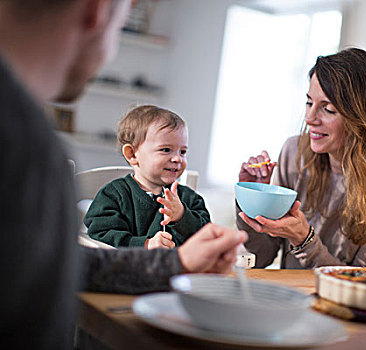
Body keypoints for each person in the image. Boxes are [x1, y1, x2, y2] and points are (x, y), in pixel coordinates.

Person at [0, 1, 246, 349]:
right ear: (98, 12)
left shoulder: (24, 136)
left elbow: (57, 265)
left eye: (182, 152)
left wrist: (177, 261)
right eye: (120, 26)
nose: (176, 159)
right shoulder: (26, 147)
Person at [237, 48, 366, 268]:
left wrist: (304, 240)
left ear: (363, 119)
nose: (310, 118)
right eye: (309, 103)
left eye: (327, 109)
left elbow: (365, 285)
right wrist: (252, 202)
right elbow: (261, 257)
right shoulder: (294, 153)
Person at [85, 105, 210, 249]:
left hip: (177, 271)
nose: (177, 158)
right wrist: (144, 244)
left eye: (182, 151)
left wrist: (182, 216)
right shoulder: (113, 195)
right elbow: (100, 234)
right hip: (126, 269)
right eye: (166, 150)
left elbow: (207, 238)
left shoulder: (190, 199)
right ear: (132, 154)